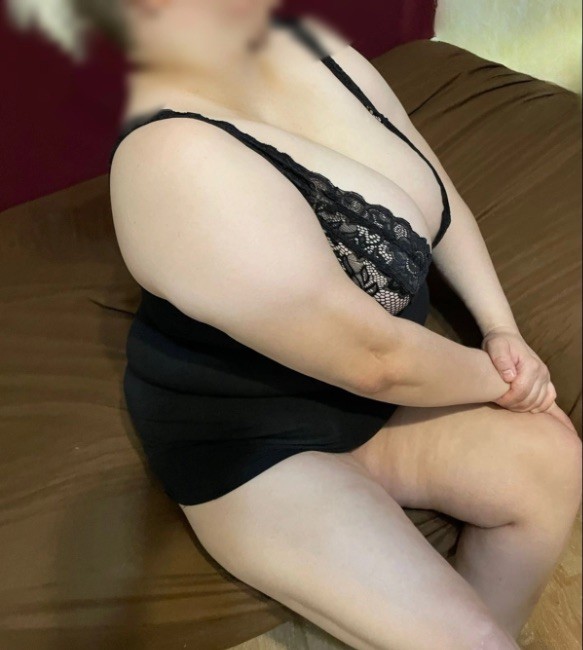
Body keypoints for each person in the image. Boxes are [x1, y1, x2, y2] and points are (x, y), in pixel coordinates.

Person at [10, 2, 581, 648]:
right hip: (261, 443)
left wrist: (501, 329)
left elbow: (441, 201)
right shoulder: (166, 157)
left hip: (372, 404)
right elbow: (375, 359)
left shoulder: (319, 52)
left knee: (554, 462)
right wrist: (507, 380)